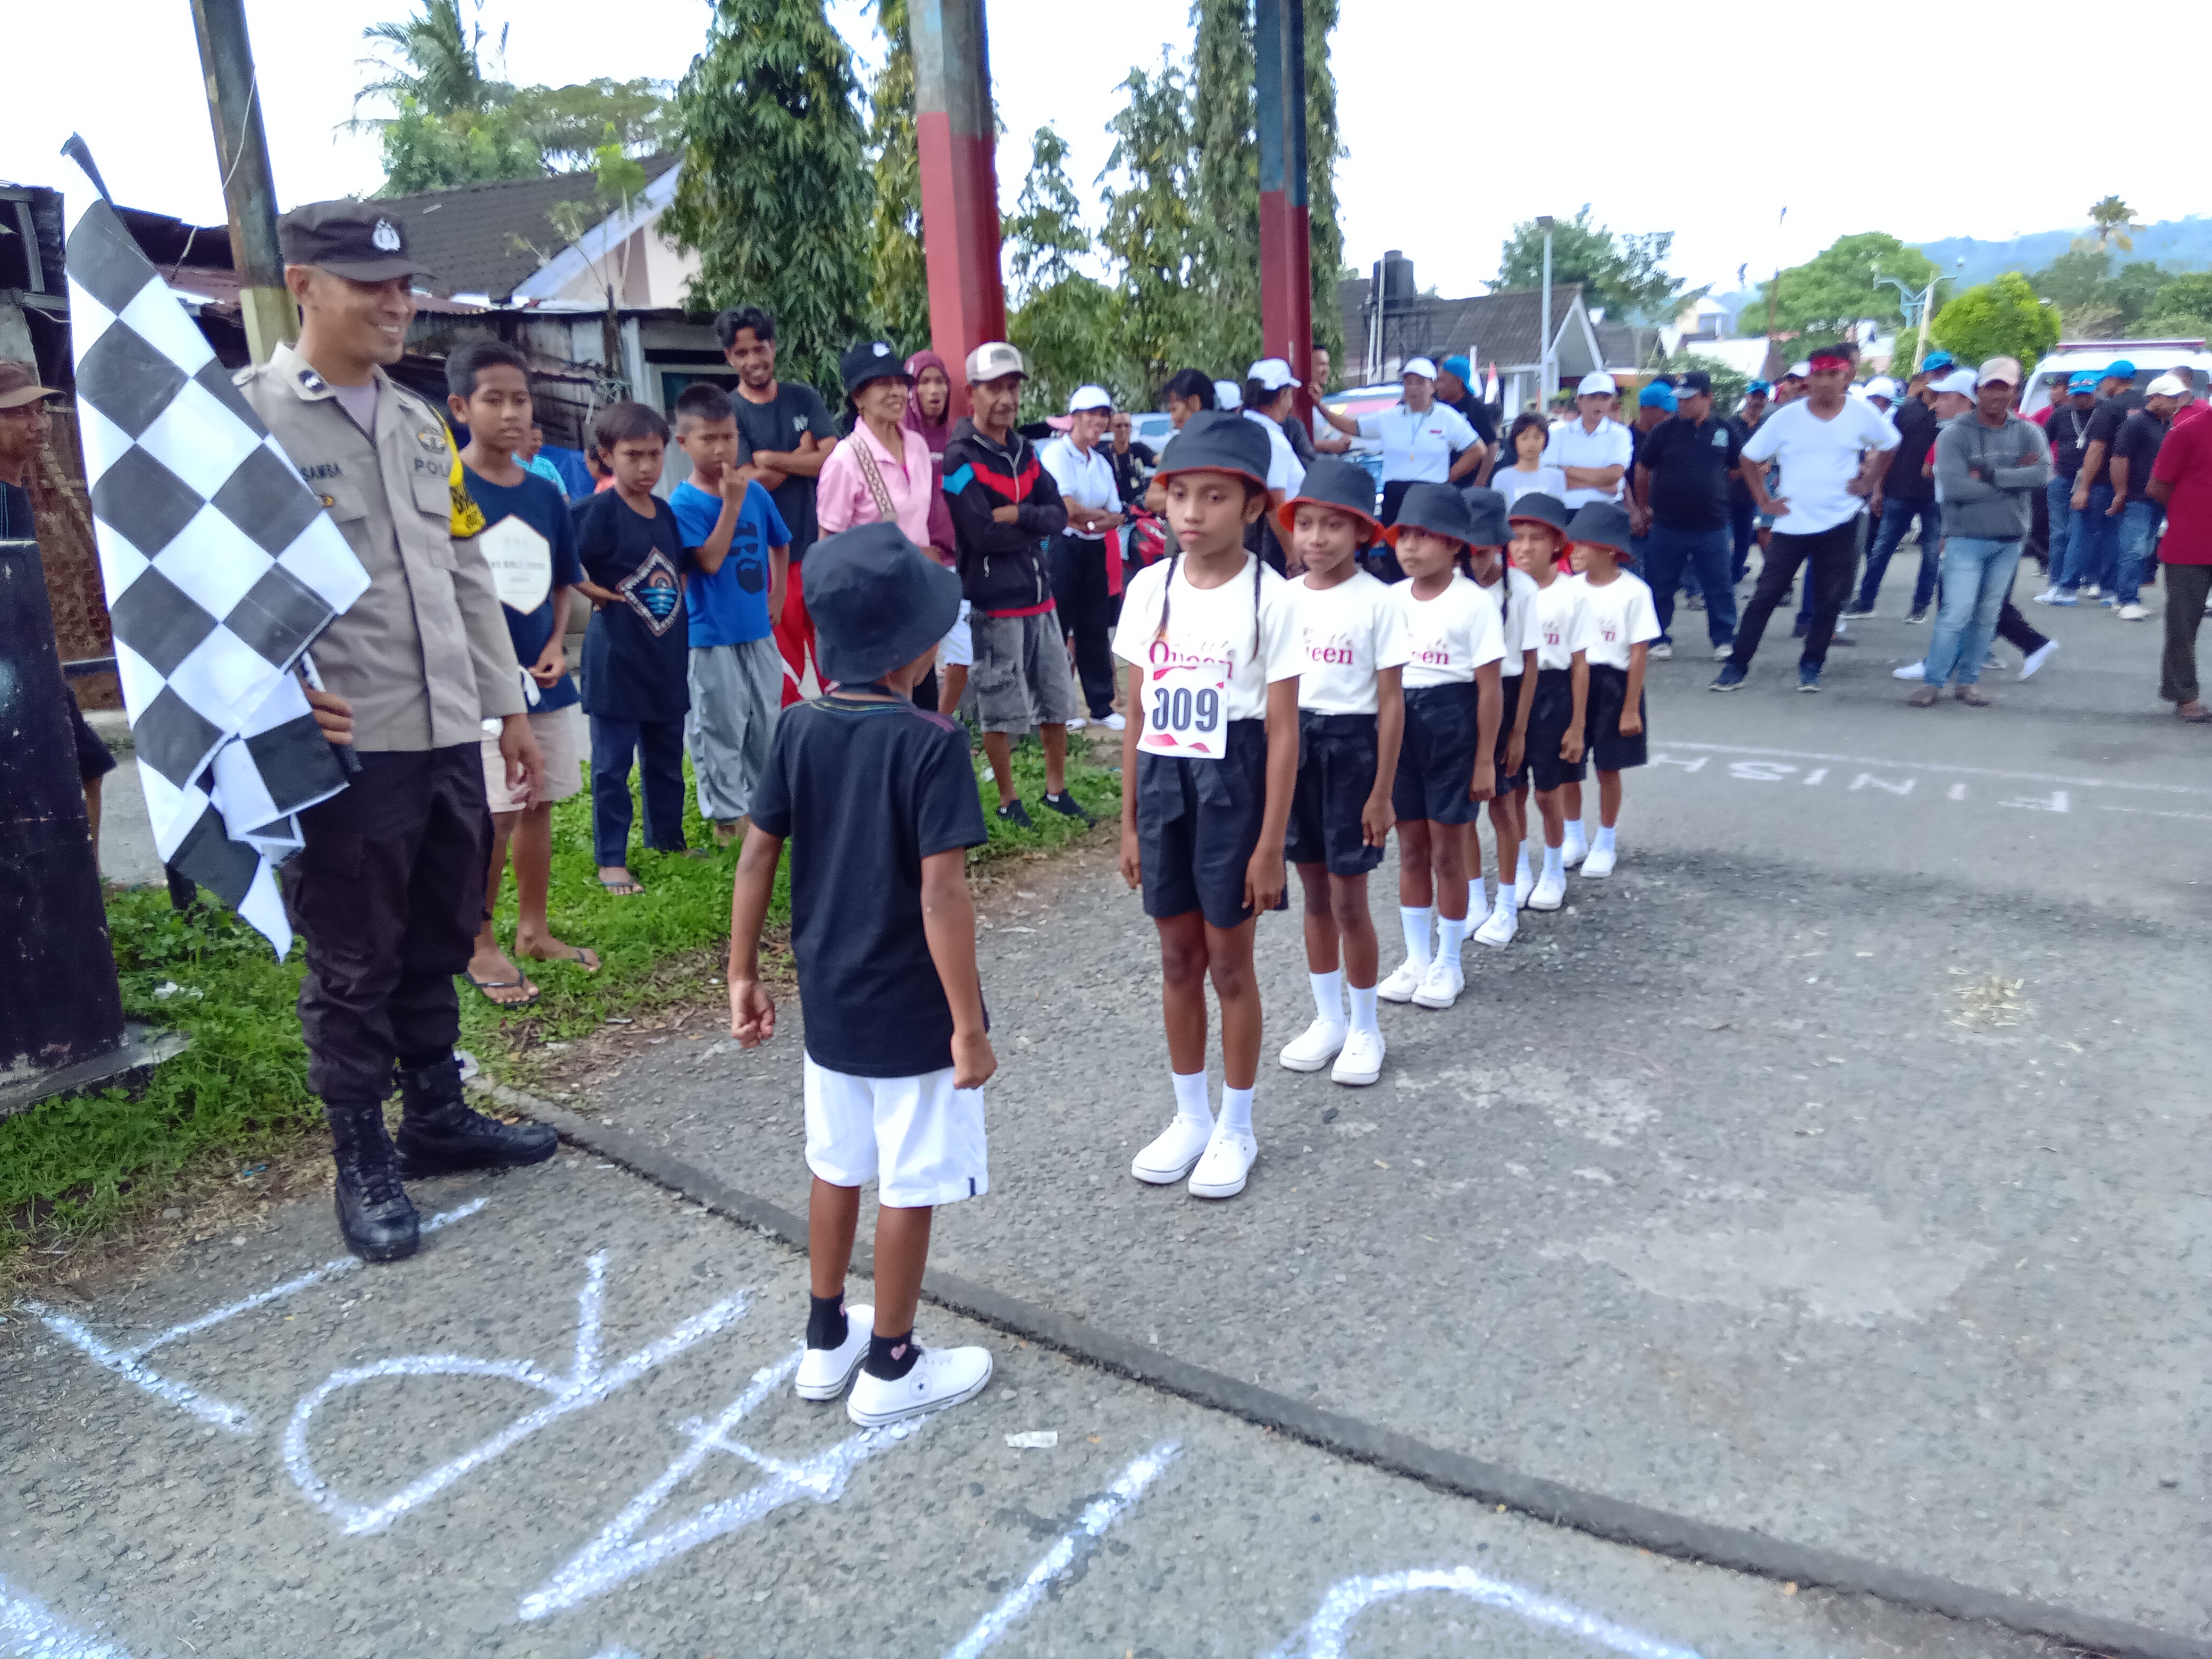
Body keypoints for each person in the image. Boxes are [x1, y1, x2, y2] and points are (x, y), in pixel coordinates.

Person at [242, 203, 551, 1263]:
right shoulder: (249, 421)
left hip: (443, 729)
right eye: (368, 286)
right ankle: (362, 1155)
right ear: (304, 285)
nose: (394, 304)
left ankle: (434, 1117)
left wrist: (509, 708)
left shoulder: (422, 424)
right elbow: (211, 598)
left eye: (403, 286)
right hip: (345, 742)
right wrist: (275, 697)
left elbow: (465, 572)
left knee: (438, 929)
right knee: (354, 954)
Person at [726, 520, 996, 1425]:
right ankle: (892, 1362)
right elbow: (942, 895)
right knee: (910, 1181)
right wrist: (968, 1026)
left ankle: (824, 1337)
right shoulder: (931, 742)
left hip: (829, 1001)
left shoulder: (798, 726)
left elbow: (757, 856)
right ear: (911, 648)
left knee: (837, 1166)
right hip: (914, 1010)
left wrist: (741, 972)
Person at [1114, 412, 1300, 1201]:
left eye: (1215, 496)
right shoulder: (1148, 589)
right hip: (1165, 780)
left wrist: (1270, 843)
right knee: (1176, 958)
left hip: (1236, 778)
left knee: (1229, 962)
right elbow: (1136, 714)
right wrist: (1129, 821)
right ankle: (1189, 1116)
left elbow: (1284, 731)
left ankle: (1236, 1125)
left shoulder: (1273, 598)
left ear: (1253, 506)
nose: (1191, 512)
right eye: (1180, 493)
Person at [445, 338, 596, 1008]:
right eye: (493, 400)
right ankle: (480, 943)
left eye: (520, 400)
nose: (511, 414)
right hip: (478, 687)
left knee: (539, 802)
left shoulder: (545, 494)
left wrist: (558, 643)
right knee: (494, 815)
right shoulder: (445, 490)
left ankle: (533, 930)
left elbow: (562, 580)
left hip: (543, 678)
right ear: (460, 408)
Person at [1275, 460, 1408, 1086]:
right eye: (1305, 524)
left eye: (1333, 525)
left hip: (1352, 751)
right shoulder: (1281, 598)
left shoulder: (1380, 602)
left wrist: (1382, 792)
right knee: (1312, 891)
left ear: (1360, 532)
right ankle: (1327, 1018)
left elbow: (1390, 702)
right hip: (1293, 745)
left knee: (1349, 897)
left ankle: (1364, 1027)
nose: (1316, 538)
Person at [943, 342, 1086, 828]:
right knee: (999, 705)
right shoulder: (958, 459)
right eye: (994, 388)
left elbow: (1058, 514)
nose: (1006, 398)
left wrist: (1017, 514)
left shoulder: (1026, 451)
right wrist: (1033, 523)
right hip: (994, 602)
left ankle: (1056, 790)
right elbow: (980, 533)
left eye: (1012, 387)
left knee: (1056, 698)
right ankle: (1008, 800)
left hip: (1039, 596)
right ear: (972, 394)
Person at [1372, 484, 1503, 1013]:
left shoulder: (1474, 603)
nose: (1409, 547)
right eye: (1403, 535)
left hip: (1453, 724)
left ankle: (1449, 961)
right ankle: (1416, 958)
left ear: (1453, 545)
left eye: (1423, 537)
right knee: (1411, 850)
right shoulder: (1389, 600)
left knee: (1448, 851)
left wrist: (1484, 759)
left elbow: (1489, 688)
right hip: (1399, 724)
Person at [1712, 346, 1899, 693]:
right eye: (1818, 375)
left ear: (1847, 377)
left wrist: (1869, 483)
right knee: (1765, 596)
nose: (1825, 382)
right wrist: (1763, 500)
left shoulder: (1861, 414)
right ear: (1808, 380)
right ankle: (1737, 665)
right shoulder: (1787, 417)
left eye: (1833, 374)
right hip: (1792, 522)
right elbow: (1749, 458)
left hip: (1841, 520)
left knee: (1829, 599)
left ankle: (1812, 665)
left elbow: (1891, 445)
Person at [574, 401, 696, 892]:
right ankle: (611, 860)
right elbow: (558, 552)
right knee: (612, 766)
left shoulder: (664, 512)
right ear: (607, 456)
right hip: (616, 660)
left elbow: (679, 567)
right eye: (633, 455)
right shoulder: (598, 512)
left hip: (664, 656)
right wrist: (590, 591)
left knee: (666, 759)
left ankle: (667, 839)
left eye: (654, 455)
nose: (646, 467)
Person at [0, 362, 118, 854]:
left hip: (35, 665)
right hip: (11, 674)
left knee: (87, 765)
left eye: (40, 410)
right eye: (17, 413)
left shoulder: (16, 490)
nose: (37, 424)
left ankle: (84, 880)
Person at [667, 383, 791, 849]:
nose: (721, 448)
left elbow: (780, 542)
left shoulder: (755, 494)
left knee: (766, 721)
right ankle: (726, 818)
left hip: (757, 630)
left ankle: (763, 811)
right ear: (684, 443)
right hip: (710, 636)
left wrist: (777, 593)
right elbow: (709, 560)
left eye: (728, 437)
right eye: (708, 439)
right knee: (718, 724)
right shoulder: (683, 504)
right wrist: (732, 504)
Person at [1908, 358, 2051, 708]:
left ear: (2015, 391)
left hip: (2009, 539)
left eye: (2005, 388)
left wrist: (1989, 475)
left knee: (1987, 616)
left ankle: (1967, 682)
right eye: (1991, 387)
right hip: (1966, 536)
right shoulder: (1955, 434)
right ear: (1977, 391)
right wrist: (2014, 479)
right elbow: (1955, 487)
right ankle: (1933, 682)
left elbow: (2042, 475)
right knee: (1956, 613)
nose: (1997, 395)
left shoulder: (2028, 432)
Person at [715, 307, 837, 705]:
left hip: (819, 551)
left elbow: (831, 460)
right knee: (781, 677)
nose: (753, 360)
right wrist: (800, 455)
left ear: (773, 346)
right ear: (729, 357)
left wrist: (770, 459)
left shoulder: (804, 397)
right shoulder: (728, 412)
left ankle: (843, 734)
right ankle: (786, 739)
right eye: (742, 352)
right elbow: (747, 481)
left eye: (760, 348)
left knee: (839, 666)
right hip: (765, 560)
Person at [1456, 490, 1536, 945]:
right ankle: (1474, 900)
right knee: (1463, 809)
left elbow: (1530, 664)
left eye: (1485, 550)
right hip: (1459, 700)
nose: (1477, 560)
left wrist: (1519, 730)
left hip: (1504, 697)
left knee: (1504, 804)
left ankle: (1507, 903)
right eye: (1469, 550)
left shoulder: (1521, 590)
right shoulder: (1452, 588)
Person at [1563, 504, 1657, 877]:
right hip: (1574, 681)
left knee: (1608, 766)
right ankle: (1573, 835)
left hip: (1614, 685)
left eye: (1581, 545)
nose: (1573, 552)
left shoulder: (1634, 592)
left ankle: (1606, 839)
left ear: (1608, 549)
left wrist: (1631, 707)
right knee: (1568, 763)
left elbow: (1638, 652)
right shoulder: (1568, 589)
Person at [1508, 494, 1590, 912]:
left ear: (1557, 543)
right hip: (1510, 691)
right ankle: (1520, 867)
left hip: (1553, 695)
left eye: (1536, 538)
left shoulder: (1573, 594)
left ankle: (1554, 868)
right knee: (1512, 791)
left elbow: (1580, 664)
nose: (1525, 547)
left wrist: (1577, 725)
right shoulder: (1503, 589)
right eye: (1517, 537)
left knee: (1547, 792)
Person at [1633, 370, 1741, 663]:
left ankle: (1724, 638)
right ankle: (1658, 637)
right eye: (1679, 399)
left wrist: (1713, 486)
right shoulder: (1664, 431)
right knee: (1660, 584)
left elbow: (1737, 467)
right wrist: (1643, 508)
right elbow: (1643, 468)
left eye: (1689, 399)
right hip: (1668, 524)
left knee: (1719, 585)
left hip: (1713, 523)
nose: (1682, 404)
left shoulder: (1725, 430)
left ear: (1708, 398)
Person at [1040, 384, 1128, 731]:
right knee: (1058, 625)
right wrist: (1095, 518)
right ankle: (1057, 707)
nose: (1099, 421)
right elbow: (1067, 509)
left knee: (1094, 625)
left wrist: (1090, 521)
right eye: (1092, 414)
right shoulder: (1056, 455)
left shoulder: (1100, 462)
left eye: (1104, 415)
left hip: (1093, 547)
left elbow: (1117, 514)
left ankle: (1101, 706)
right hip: (1062, 546)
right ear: (1075, 418)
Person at [1314, 356, 1483, 524]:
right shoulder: (1390, 417)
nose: (1413, 388)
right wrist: (1321, 406)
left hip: (1432, 495)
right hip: (1396, 495)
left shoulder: (1447, 416)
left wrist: (1448, 478)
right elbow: (1352, 427)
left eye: (1420, 382)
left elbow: (1478, 450)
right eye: (1408, 382)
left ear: (1433, 386)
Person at [901, 349, 969, 712]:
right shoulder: (899, 442)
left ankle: (942, 721)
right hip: (915, 564)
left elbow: (964, 496)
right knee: (916, 655)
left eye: (940, 381)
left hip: (955, 562)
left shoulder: (956, 440)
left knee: (963, 654)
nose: (934, 390)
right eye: (924, 382)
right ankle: (912, 720)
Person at [2051, 359, 2141, 604]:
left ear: (2113, 381)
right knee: (2116, 537)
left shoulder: (2108, 409)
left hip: (2101, 480)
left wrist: (2083, 487)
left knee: (2082, 532)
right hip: (2133, 483)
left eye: (2104, 381)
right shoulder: (2145, 406)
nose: (2102, 387)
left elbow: (2097, 448)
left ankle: (2067, 589)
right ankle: (2111, 590)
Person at [2148, 382, 2212, 719]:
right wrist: (2189, 512)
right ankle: (2184, 695)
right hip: (2190, 544)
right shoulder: (2187, 432)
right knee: (2183, 625)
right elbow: (2157, 485)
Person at [2108, 374, 2184, 619]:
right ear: (2154, 397)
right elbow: (2119, 458)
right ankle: (2126, 598)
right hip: (2137, 496)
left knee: (2146, 547)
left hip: (2155, 497)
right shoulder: (2136, 423)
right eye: (2171, 398)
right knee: (2134, 548)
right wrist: (2121, 492)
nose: (2175, 403)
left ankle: (2128, 596)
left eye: (2177, 398)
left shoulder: (2165, 424)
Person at [2029, 372, 2098, 608]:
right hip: (2062, 477)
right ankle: (2057, 584)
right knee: (2059, 533)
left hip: (2092, 479)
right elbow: (2041, 441)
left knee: (2082, 532)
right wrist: (2039, 467)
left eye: (2086, 394)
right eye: (2076, 395)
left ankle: (2083, 580)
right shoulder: (2061, 413)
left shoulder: (2102, 413)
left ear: (2094, 392)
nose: (2081, 399)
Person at [1241, 358, 1309, 572]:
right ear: (1282, 396)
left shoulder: (1244, 430)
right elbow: (1276, 502)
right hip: (1274, 542)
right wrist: (1293, 557)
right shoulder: (1272, 439)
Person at [1542, 373, 1635, 509]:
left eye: (1605, 398)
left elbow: (1614, 475)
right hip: (1563, 511)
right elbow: (1549, 477)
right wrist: (1604, 484)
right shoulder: (1556, 433)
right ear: (1579, 400)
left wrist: (1568, 471)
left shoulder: (1620, 434)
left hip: (1607, 510)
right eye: (1592, 398)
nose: (1598, 404)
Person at [1727, 382, 1770, 583]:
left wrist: (1767, 465)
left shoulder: (1767, 427)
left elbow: (1770, 456)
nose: (1757, 401)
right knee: (1724, 538)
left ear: (1767, 400)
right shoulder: (1731, 424)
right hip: (1727, 490)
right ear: (1747, 397)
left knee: (1743, 538)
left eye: (1761, 398)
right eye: (1754, 396)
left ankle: (1735, 573)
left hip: (1750, 494)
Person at [1492, 412, 1568, 513]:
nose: (1531, 444)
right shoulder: (1501, 478)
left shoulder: (1556, 477)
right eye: (1524, 438)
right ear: (1515, 441)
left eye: (1537, 438)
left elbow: (1558, 513)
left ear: (1545, 440)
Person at [1435, 354, 1499, 455]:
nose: (1437, 386)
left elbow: (1492, 445)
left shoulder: (1476, 409)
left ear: (1458, 382)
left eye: (1442, 380)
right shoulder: (1437, 406)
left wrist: (1484, 468)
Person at [1308, 345, 1354, 456]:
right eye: (1321, 365)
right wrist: (1331, 446)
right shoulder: (1296, 405)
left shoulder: (1322, 405)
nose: (1326, 370)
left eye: (1327, 365)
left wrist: (1342, 441)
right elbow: (1294, 443)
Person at [1108, 409, 1159, 509]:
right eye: (1119, 426)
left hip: (1141, 502)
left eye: (1127, 425)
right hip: (1117, 505)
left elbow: (1157, 460)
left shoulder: (1138, 448)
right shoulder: (1104, 454)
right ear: (1111, 428)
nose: (1123, 429)